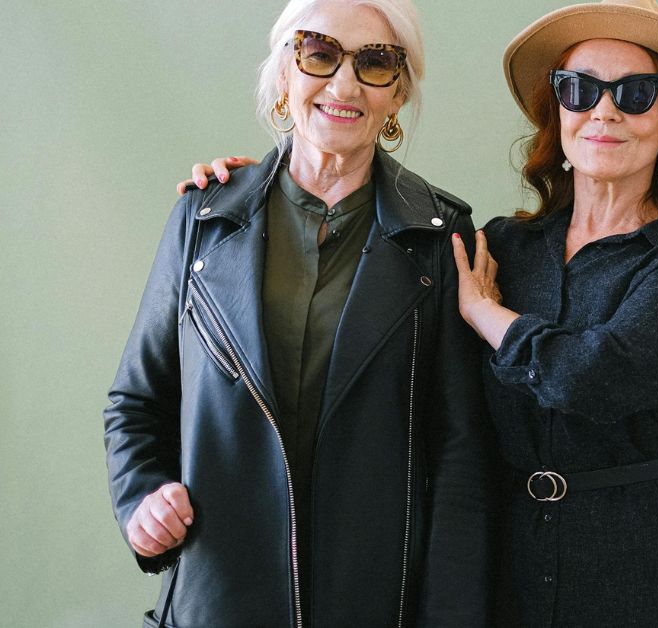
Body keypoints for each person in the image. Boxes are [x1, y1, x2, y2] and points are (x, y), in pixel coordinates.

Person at [102, 0, 494, 625]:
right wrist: (141, 499)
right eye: (319, 53)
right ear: (284, 73)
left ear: (397, 93)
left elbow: (460, 454)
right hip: (219, 596)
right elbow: (136, 401)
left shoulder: (440, 237)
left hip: (373, 603)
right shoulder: (204, 217)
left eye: (374, 63)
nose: (344, 84)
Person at [450, 1, 658, 625]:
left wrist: (484, 313)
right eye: (580, 90)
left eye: (636, 93)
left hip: (653, 566)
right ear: (558, 112)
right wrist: (265, 188)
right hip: (515, 558)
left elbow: (593, 377)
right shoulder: (505, 246)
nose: (605, 111)